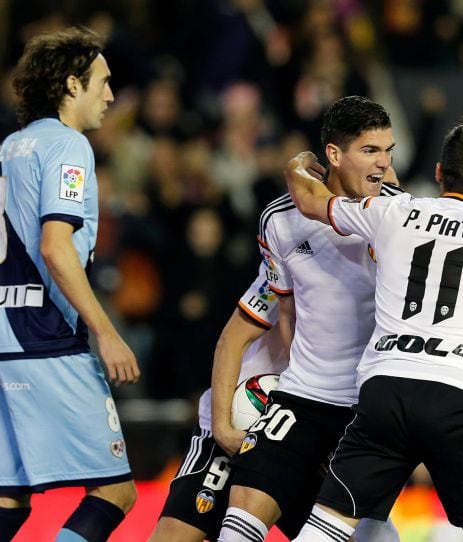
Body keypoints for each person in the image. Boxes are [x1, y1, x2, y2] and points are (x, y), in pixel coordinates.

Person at [217, 97, 463, 542]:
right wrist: (225, 418)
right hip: (305, 395)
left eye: (388, 151)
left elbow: (447, 287)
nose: (385, 164)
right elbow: (285, 305)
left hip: (371, 406)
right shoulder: (279, 221)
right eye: (371, 151)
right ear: (334, 155)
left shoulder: (402, 214)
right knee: (240, 523)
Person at [284, 111, 463, 542]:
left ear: (439, 172)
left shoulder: (394, 211)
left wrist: (293, 168)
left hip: (385, 390)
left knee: (326, 528)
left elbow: (309, 200)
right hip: (454, 393)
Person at [0, 27, 140, 542]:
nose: (110, 95)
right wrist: (105, 332)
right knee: (115, 492)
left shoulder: (8, 148)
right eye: (102, 82)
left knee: (8, 498)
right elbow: (55, 247)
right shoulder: (68, 147)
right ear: (71, 85)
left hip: (3, 340)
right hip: (48, 341)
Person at [148, 257, 288, 542]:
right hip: (242, 417)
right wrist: (222, 428)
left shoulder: (378, 274)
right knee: (174, 535)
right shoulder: (288, 265)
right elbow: (230, 341)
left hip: (310, 428)